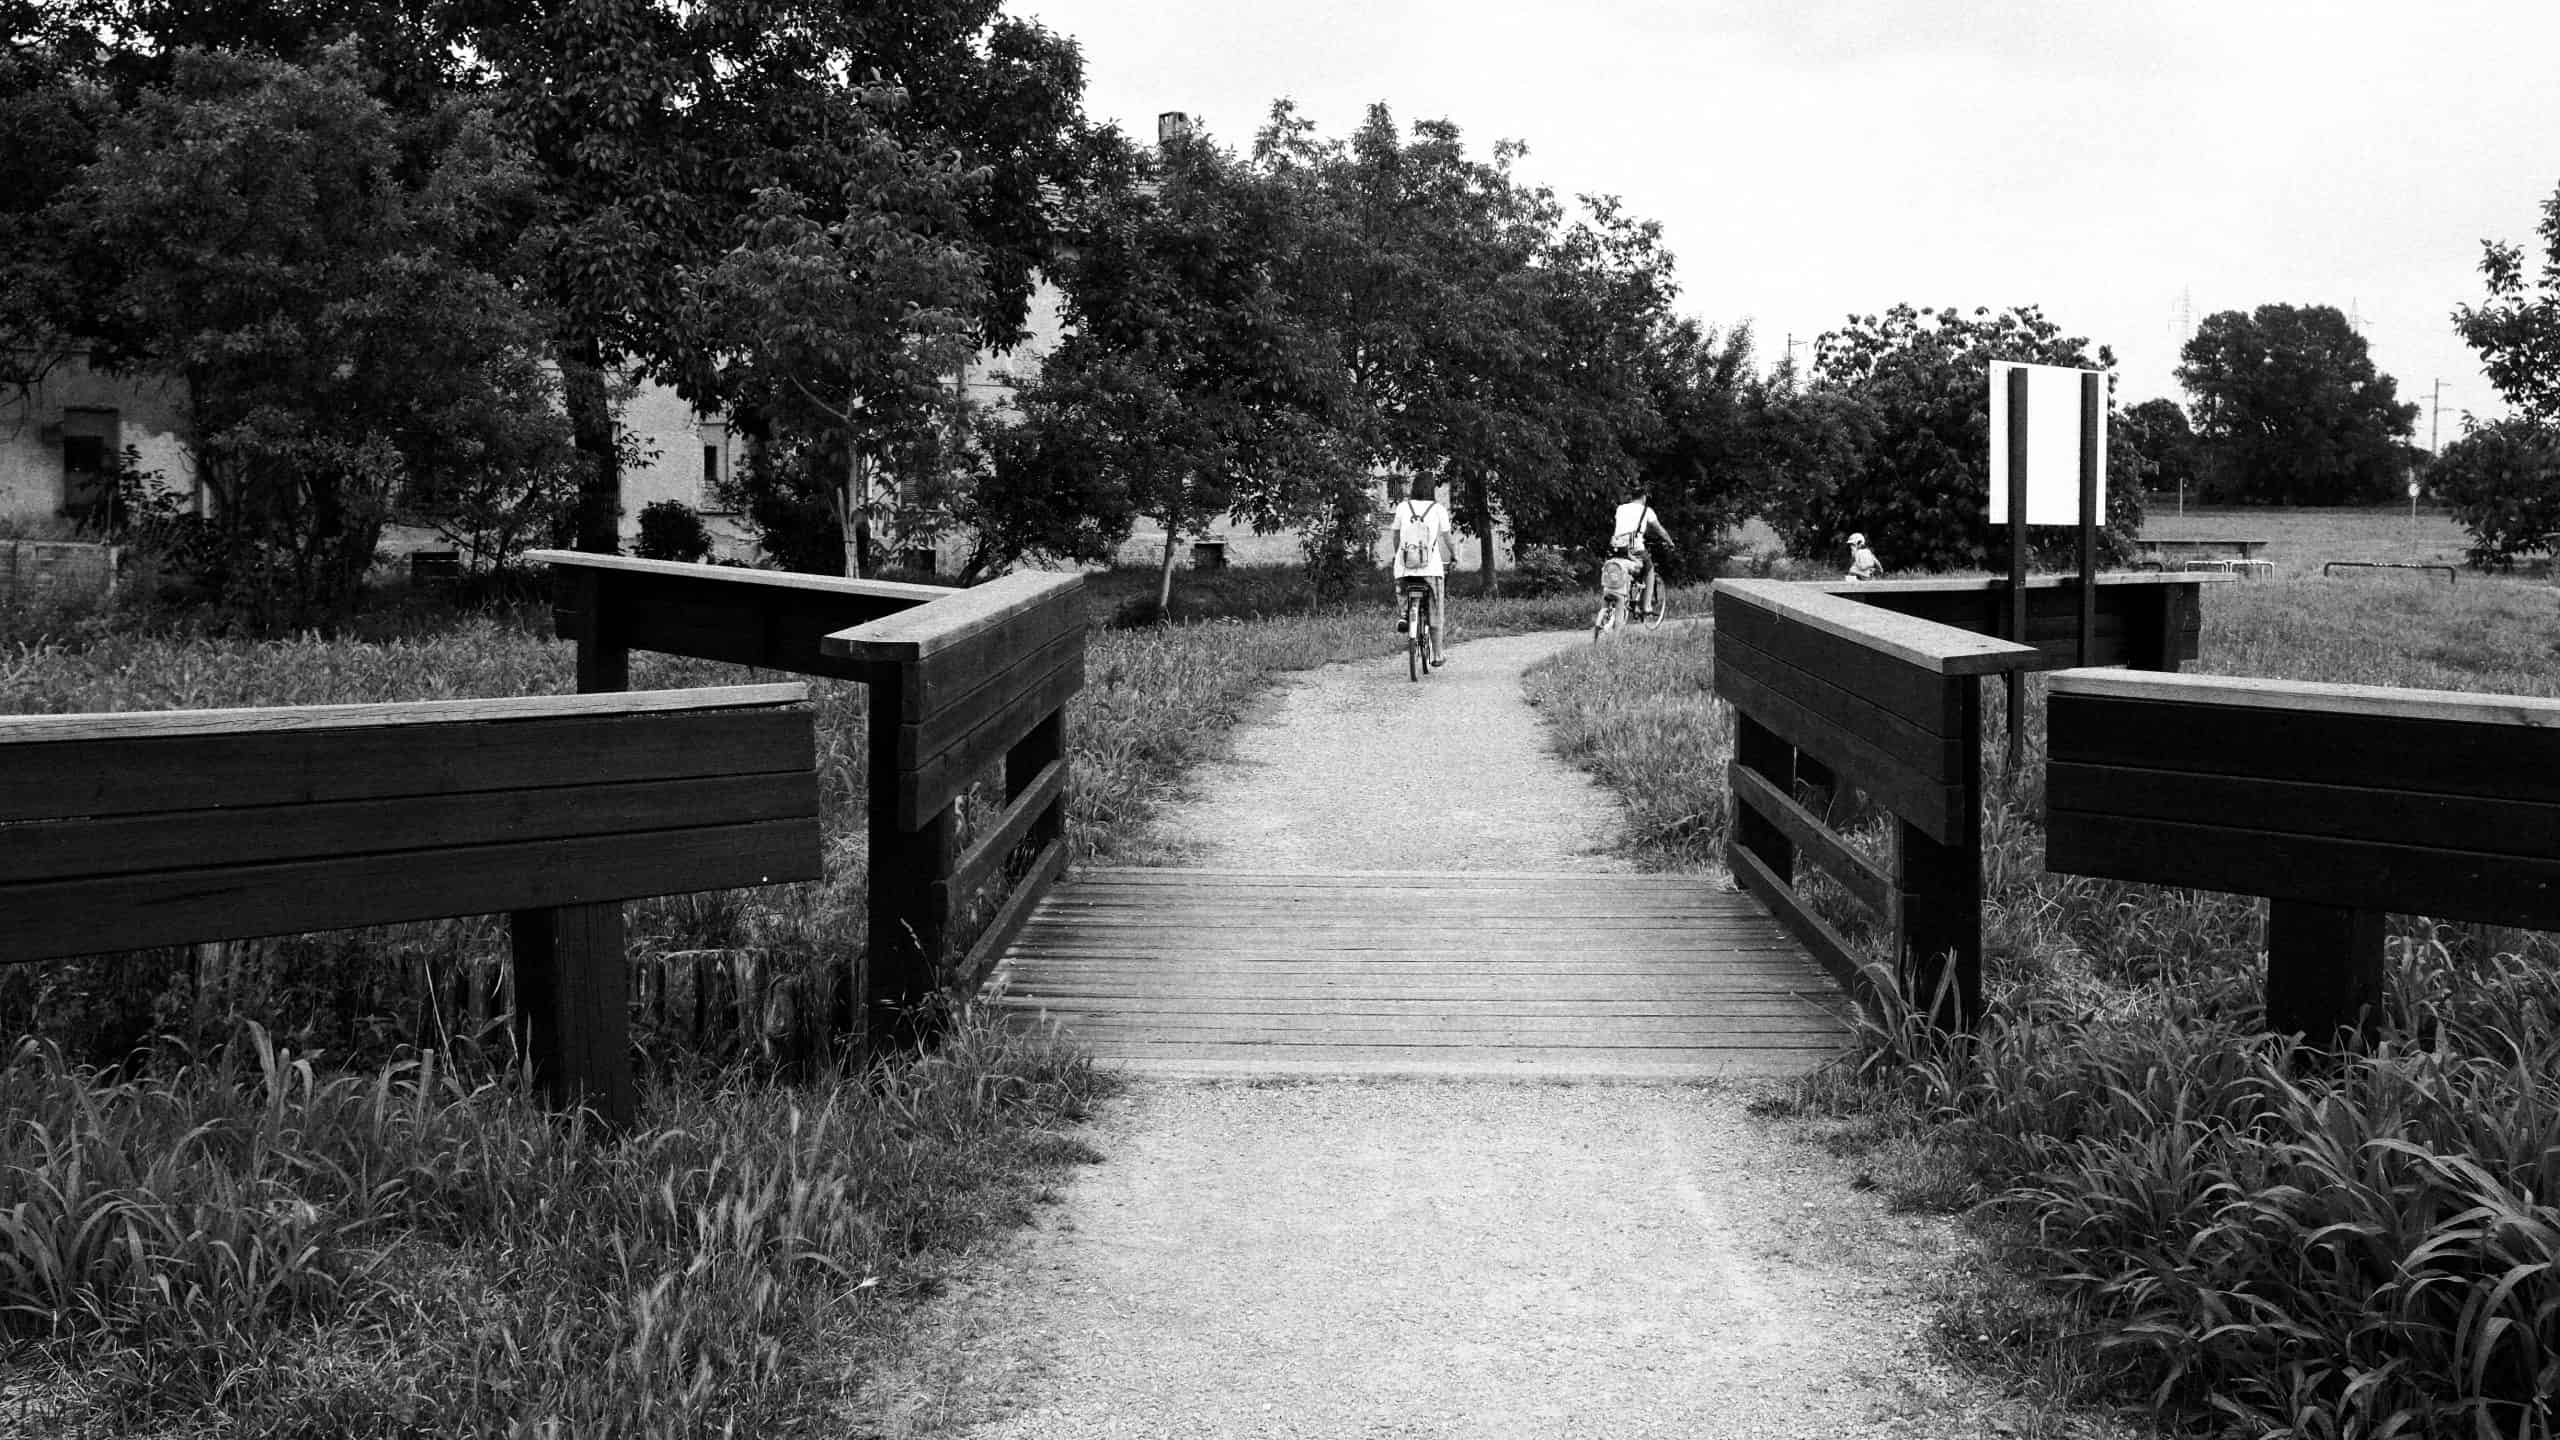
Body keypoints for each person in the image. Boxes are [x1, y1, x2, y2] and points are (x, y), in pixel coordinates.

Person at [1386, 474, 1457, 667]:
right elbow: (1447, 538)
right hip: (1430, 568)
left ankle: (1404, 615)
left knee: (1402, 590)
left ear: (1414, 487)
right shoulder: (1438, 509)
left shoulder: (1402, 507)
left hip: (1405, 566)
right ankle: (1437, 655)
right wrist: (1454, 554)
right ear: (1431, 489)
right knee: (1435, 609)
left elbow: (1395, 536)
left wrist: (1399, 556)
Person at [1609, 493, 1673, 612]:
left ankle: (1625, 595)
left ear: (1631, 497)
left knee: (1629, 567)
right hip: (1634, 547)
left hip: (1616, 546)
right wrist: (1670, 542)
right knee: (1649, 569)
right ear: (1643, 497)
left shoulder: (1620, 508)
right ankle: (1646, 605)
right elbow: (1659, 529)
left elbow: (1626, 526)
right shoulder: (1647, 511)